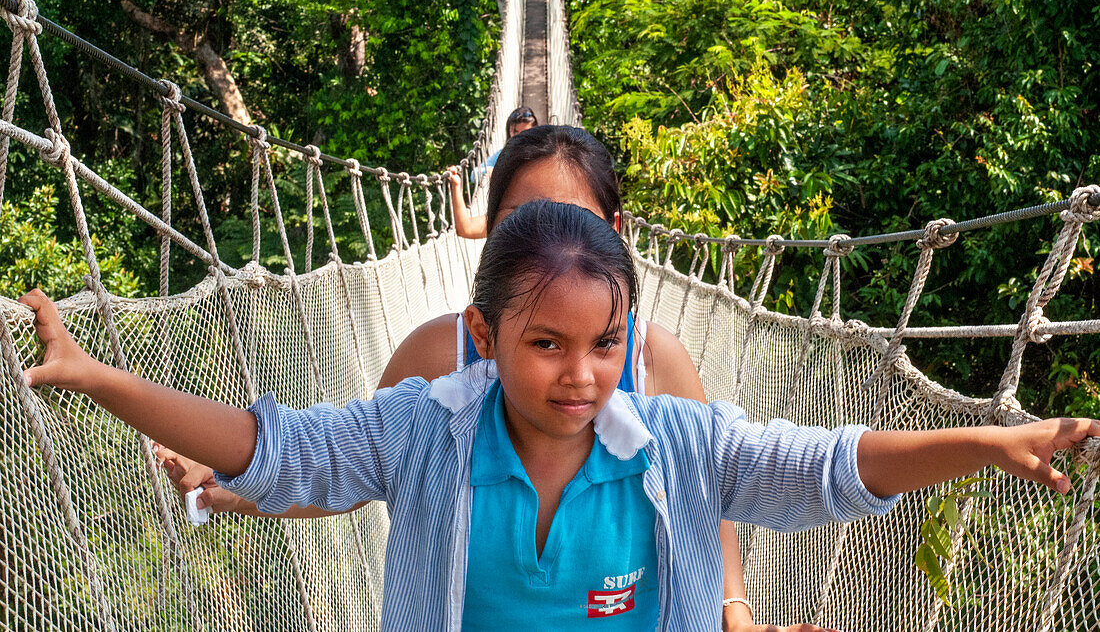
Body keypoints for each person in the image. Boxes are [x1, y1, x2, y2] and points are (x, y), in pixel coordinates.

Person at [20, 201, 1097, 630]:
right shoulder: (422, 429)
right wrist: (102, 375)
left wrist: (988, 443)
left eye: (605, 340)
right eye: (545, 343)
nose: (582, 374)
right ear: (481, 338)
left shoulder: (672, 444)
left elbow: (818, 464)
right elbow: (278, 447)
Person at [158, 125, 770, 629]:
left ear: (611, 232)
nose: (545, 244)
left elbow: (705, 494)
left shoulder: (651, 359)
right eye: (520, 224)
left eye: (569, 222)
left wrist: (734, 612)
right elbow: (359, 468)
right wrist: (240, 485)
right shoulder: (437, 354)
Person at [450, 106, 538, 239]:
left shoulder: (546, 157)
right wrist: (455, 186)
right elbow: (465, 228)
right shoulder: (508, 218)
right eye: (515, 132)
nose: (520, 138)